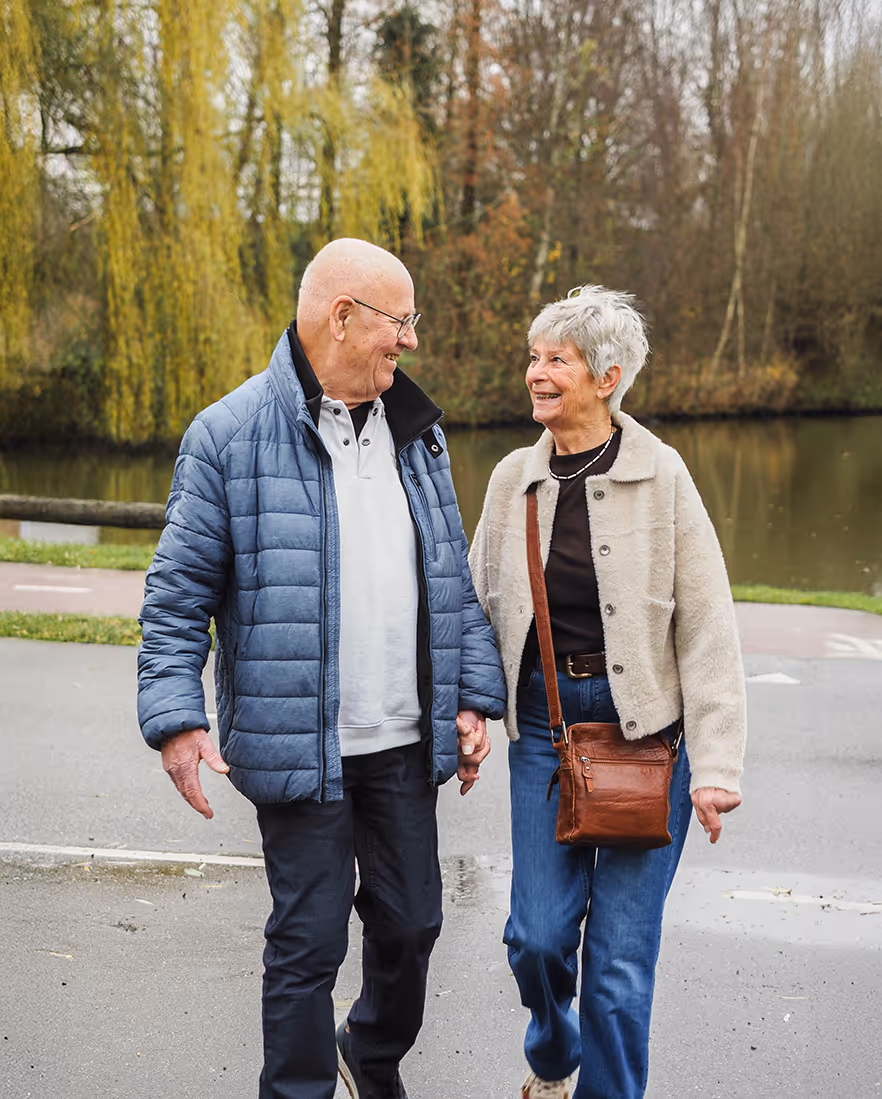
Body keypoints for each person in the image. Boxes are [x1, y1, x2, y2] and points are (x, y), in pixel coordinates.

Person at [137, 238, 506, 1099]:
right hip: (300, 741)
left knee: (412, 925)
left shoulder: (419, 432)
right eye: (400, 321)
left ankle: (368, 1054)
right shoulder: (227, 435)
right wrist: (177, 719)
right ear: (342, 317)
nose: (411, 339)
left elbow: (448, 576)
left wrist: (470, 695)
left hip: (403, 740)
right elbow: (177, 595)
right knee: (308, 942)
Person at [468, 285, 746, 1099]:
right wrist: (470, 707)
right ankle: (553, 1054)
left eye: (556, 359)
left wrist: (716, 766)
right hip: (545, 731)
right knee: (537, 940)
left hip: (648, 742)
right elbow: (476, 606)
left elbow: (708, 626)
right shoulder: (512, 480)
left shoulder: (663, 475)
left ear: (607, 376)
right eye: (533, 356)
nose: (536, 372)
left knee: (619, 969)